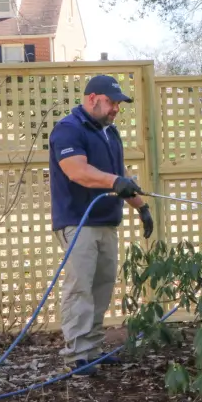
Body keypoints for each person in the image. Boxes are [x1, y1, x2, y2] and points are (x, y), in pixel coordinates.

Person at [48, 74, 153, 377]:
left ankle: (91, 351)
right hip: (79, 222)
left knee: (101, 288)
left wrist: (141, 207)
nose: (116, 109)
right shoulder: (69, 130)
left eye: (119, 104)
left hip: (106, 222)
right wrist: (114, 181)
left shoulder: (110, 133)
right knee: (80, 288)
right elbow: (77, 171)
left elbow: (119, 177)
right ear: (93, 98)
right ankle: (76, 356)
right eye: (112, 102)